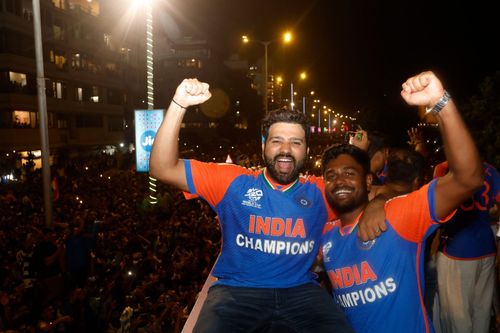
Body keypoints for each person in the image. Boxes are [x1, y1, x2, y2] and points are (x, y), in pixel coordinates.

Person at [149, 79, 355, 332]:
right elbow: (162, 168)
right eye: (277, 141)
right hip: (236, 292)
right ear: (263, 146)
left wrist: (377, 203)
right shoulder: (232, 181)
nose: (286, 150)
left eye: (296, 143)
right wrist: (179, 104)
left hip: (302, 292)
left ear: (307, 150)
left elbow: (377, 193)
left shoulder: (322, 191)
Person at [320, 71, 483, 333]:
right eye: (331, 175)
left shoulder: (397, 217)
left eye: (350, 173)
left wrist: (440, 102)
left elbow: (468, 178)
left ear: (369, 181)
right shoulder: (325, 235)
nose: (339, 180)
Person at [434, 160, 499, 333]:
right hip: (486, 247)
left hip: (457, 248)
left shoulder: (445, 168)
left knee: (456, 317)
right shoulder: (491, 170)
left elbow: (436, 205)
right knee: (482, 311)